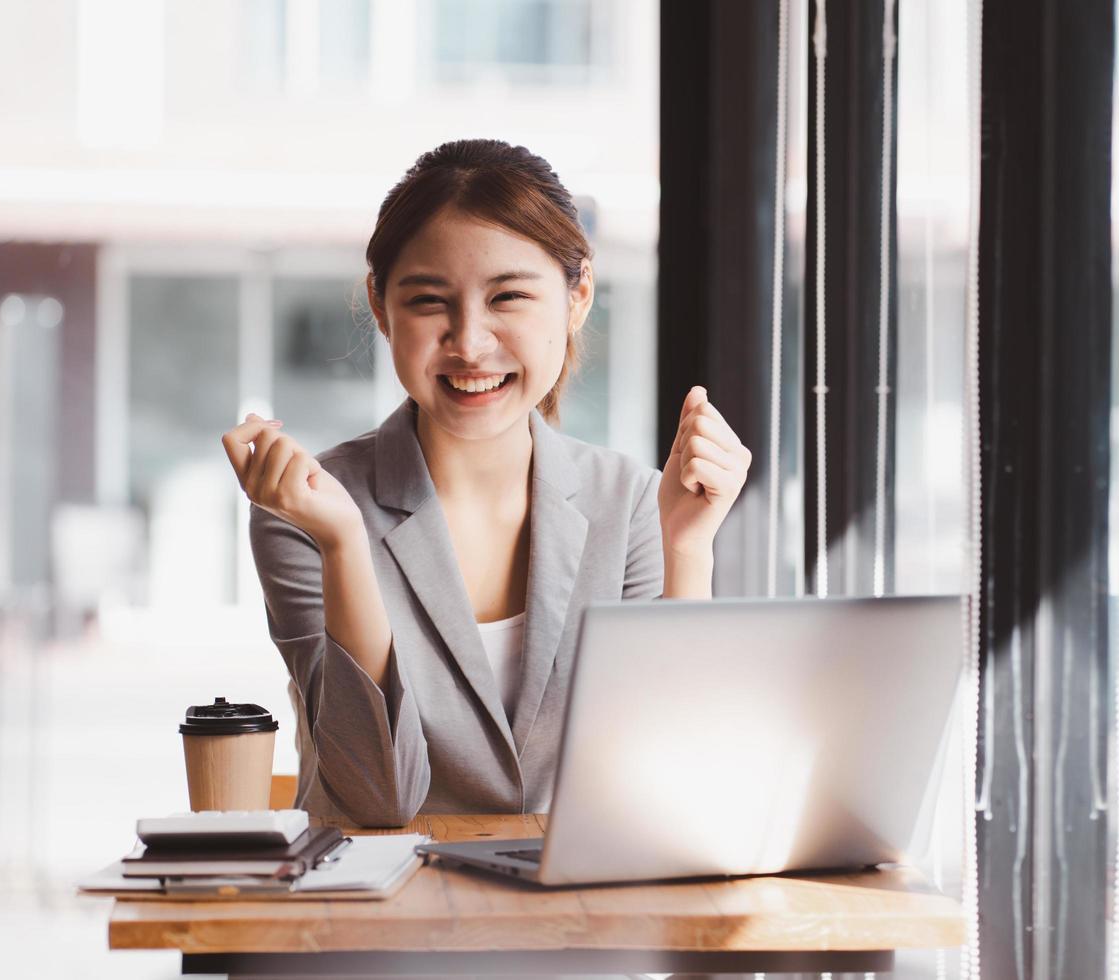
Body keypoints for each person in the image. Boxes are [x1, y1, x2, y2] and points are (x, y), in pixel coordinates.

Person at [220, 140, 752, 826]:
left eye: (509, 296)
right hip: (377, 920)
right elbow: (376, 800)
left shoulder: (632, 505)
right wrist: (346, 543)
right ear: (380, 307)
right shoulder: (306, 510)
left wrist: (687, 550)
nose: (469, 343)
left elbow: (676, 789)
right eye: (429, 301)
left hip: (580, 914)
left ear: (578, 295)